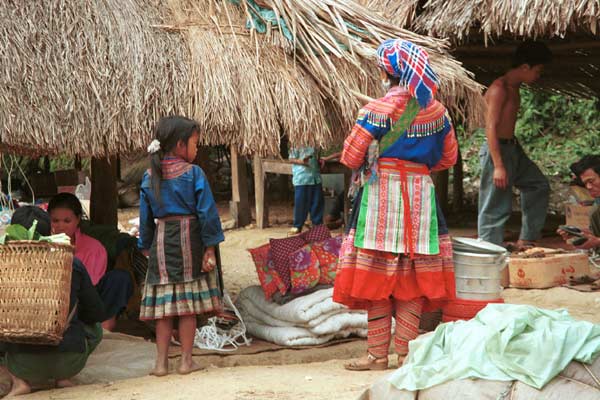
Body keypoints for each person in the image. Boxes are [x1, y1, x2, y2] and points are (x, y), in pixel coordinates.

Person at [333, 39, 458, 370]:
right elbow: (449, 158)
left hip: (380, 197)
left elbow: (350, 156)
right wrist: (417, 167)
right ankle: (405, 354)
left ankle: (376, 356)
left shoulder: (376, 109)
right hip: (421, 197)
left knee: (377, 278)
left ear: (386, 71)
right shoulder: (438, 112)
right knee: (413, 280)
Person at [138, 115, 225, 376]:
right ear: (179, 145)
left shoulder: (148, 175)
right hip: (190, 242)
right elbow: (208, 213)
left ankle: (161, 363)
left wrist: (145, 245)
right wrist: (210, 248)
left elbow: (145, 218)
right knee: (187, 308)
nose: (197, 149)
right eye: (195, 144)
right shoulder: (194, 174)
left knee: (164, 311)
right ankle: (186, 361)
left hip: (162, 243)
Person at [0, 206, 106, 396]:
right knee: (96, 328)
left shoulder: (4, 265)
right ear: (50, 231)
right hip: (70, 360)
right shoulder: (71, 262)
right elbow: (96, 312)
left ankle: (19, 382)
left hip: (20, 363)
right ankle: (62, 377)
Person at [477, 41, 553, 248]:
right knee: (495, 205)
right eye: (537, 70)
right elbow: (490, 128)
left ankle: (527, 240)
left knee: (538, 185)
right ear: (525, 67)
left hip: (512, 148)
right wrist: (499, 165)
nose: (538, 76)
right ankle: (488, 253)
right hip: (497, 150)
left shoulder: (514, 88)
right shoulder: (498, 89)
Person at [48, 193, 133, 332]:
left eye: (67, 221)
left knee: (120, 278)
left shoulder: (94, 247)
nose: (60, 226)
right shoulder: (42, 246)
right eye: (55, 221)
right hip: (53, 304)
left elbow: (90, 291)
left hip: (85, 304)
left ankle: (105, 328)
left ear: (78, 220)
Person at [558, 155, 600, 249]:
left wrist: (597, 242)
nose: (588, 187)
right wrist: (580, 234)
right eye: (585, 183)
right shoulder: (596, 208)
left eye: (591, 181)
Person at [288, 146, 324, 234]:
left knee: (317, 202)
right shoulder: (296, 143)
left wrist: (320, 161)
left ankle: (317, 225)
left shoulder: (316, 144)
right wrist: (301, 161)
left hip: (315, 177)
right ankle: (298, 225)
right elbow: (291, 159)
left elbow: (317, 158)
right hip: (302, 177)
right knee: (301, 203)